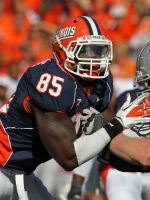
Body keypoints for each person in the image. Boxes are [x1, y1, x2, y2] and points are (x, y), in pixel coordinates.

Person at [0, 16, 149, 200]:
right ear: (63, 52)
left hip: (22, 172)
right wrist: (117, 124)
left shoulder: (100, 85)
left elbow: (110, 149)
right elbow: (68, 158)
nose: (96, 58)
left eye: (99, 51)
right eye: (87, 51)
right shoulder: (51, 80)